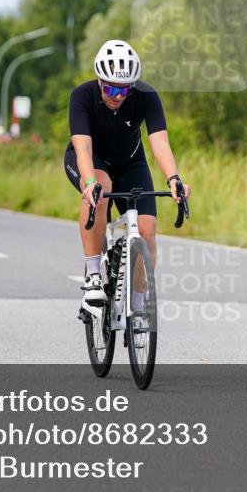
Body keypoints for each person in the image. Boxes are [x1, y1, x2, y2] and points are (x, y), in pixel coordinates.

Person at [65, 39, 191, 317]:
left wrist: (173, 179)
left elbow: (159, 142)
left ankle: (138, 302)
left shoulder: (146, 96)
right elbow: (82, 146)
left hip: (131, 162)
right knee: (101, 187)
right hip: (90, 160)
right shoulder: (82, 96)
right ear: (99, 80)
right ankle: (94, 277)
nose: (117, 96)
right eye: (110, 88)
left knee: (146, 230)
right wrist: (88, 182)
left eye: (124, 89)